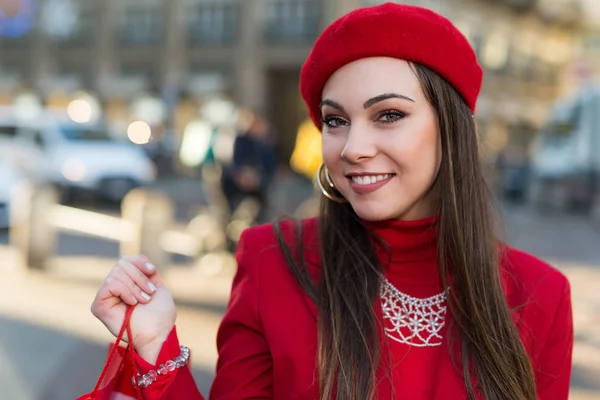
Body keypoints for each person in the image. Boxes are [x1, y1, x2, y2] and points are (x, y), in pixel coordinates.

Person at [91, 3, 573, 399]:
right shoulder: (272, 259)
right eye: (336, 120)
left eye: (388, 115)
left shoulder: (541, 296)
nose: (353, 147)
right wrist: (155, 345)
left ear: (451, 129)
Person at [220, 112, 277, 224]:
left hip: (258, 183)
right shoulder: (241, 140)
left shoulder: (265, 143)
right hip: (238, 181)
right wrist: (243, 174)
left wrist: (258, 177)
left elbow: (270, 165)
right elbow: (235, 161)